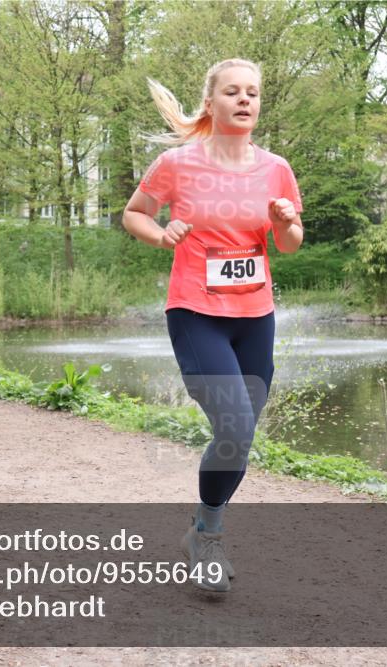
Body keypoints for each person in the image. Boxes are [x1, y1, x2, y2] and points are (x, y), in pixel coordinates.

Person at [122, 59, 303, 591]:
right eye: (232, 92)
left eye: (252, 92)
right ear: (211, 104)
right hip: (196, 312)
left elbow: (290, 245)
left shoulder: (277, 169)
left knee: (238, 439)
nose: (244, 100)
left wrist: (285, 225)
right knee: (235, 426)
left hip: (256, 317)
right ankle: (211, 537)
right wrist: (161, 235)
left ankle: (201, 523)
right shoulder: (176, 164)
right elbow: (135, 212)